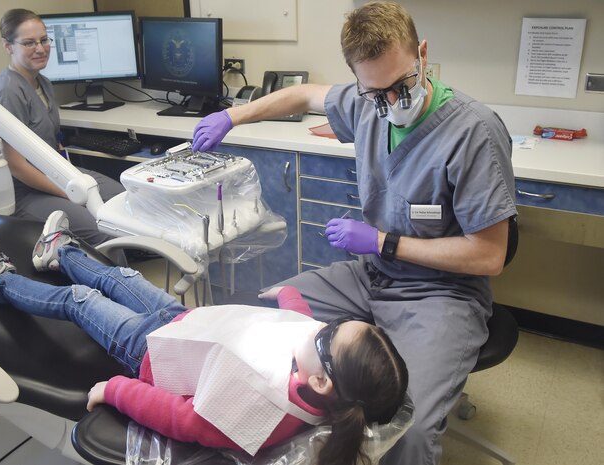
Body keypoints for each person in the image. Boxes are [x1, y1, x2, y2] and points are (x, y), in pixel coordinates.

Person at [191, 2, 518, 465]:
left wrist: (384, 241)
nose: (391, 102)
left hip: (443, 294)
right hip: (373, 274)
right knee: (261, 315)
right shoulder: (367, 106)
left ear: (422, 54)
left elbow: (489, 256)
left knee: (412, 426)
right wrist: (234, 116)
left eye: (402, 85)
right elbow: (303, 95)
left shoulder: (474, 133)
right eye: (375, 92)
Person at [0, 210, 408, 465]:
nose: (323, 326)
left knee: (79, 301)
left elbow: (183, 419)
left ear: (321, 383)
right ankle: (58, 251)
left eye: (330, 332)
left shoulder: (263, 409)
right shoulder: (318, 363)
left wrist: (116, 389)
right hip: (186, 322)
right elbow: (301, 322)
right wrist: (288, 294)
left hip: (149, 352)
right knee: (121, 276)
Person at [0, 9, 124, 246]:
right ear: (8, 46)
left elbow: (52, 139)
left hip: (60, 174)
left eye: (43, 40)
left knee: (123, 199)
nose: (40, 49)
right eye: (29, 43)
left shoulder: (43, 82)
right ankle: (114, 278)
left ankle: (124, 264)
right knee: (102, 230)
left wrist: (72, 182)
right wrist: (71, 194)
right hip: (27, 193)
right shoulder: (7, 91)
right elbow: (17, 167)